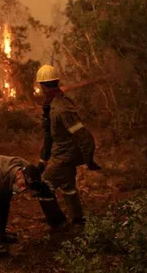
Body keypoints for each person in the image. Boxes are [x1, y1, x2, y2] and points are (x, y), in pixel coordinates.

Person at [34, 64, 101, 228]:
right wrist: (43, 160)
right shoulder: (52, 104)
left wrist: (89, 159)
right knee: (67, 186)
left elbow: (82, 134)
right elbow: (49, 135)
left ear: (42, 86)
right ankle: (78, 219)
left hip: (64, 156)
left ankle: (58, 223)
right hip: (61, 154)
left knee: (44, 188)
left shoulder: (62, 109)